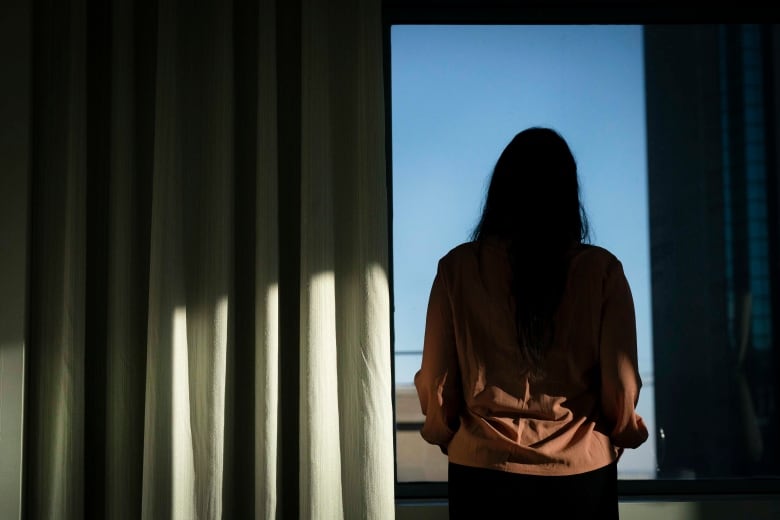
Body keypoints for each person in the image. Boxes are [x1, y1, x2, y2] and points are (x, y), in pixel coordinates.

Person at [414, 127, 649, 519]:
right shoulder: (602, 271)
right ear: (568, 194)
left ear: (500, 191)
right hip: (581, 480)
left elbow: (437, 382)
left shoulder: (457, 269)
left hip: (482, 477)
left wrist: (448, 435)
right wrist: (622, 434)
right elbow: (621, 387)